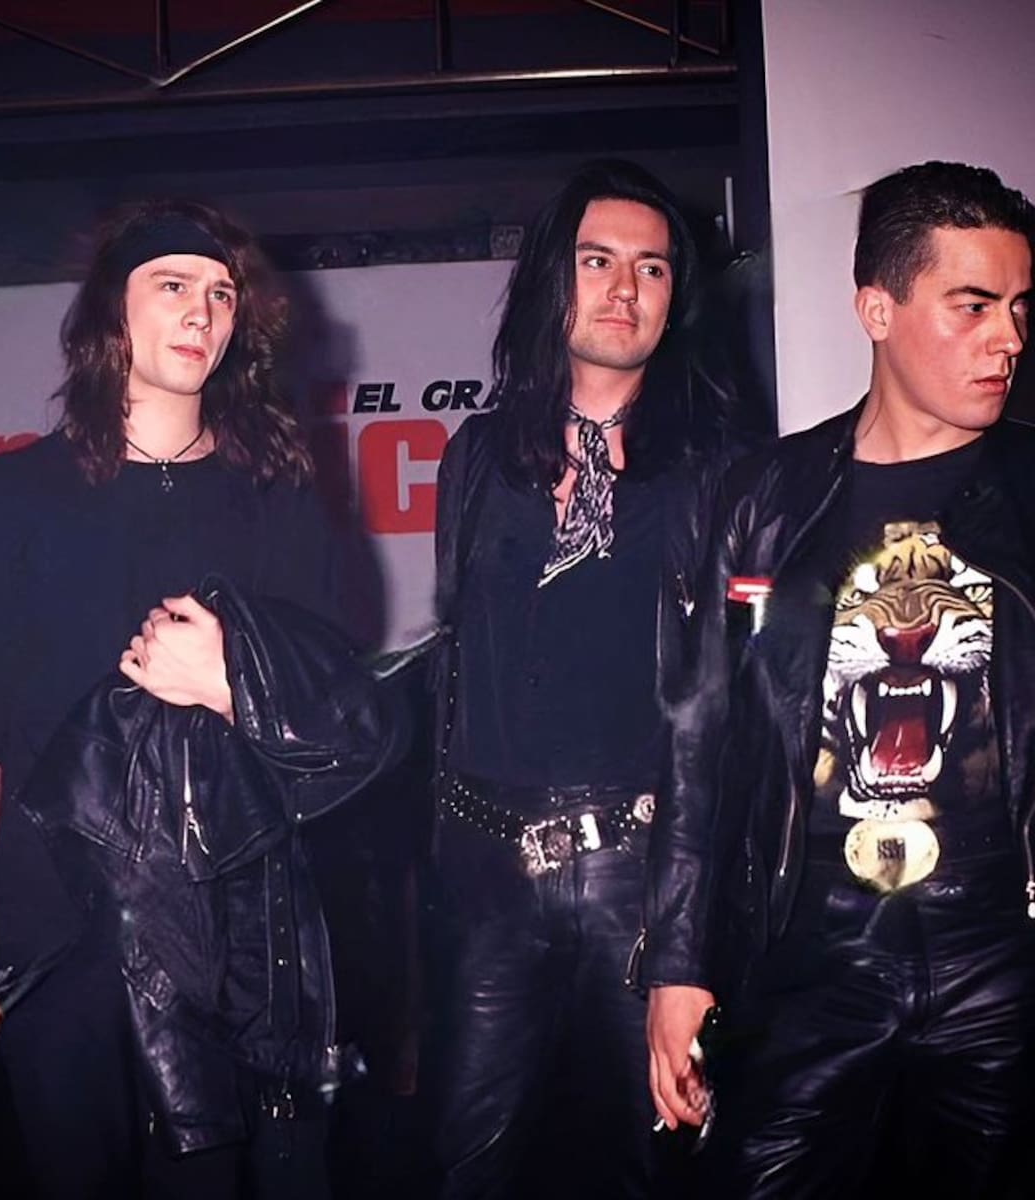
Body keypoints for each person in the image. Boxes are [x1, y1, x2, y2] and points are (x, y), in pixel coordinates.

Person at [0, 198, 375, 1198]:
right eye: (173, 285)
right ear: (111, 312)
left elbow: (340, 713)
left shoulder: (275, 490)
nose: (203, 312)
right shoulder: (18, 494)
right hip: (50, 920)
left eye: (222, 295)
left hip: (223, 927)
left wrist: (230, 683)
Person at [645, 160, 1035, 1198]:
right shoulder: (762, 498)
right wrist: (678, 964)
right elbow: (698, 740)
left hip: (1000, 946)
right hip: (808, 946)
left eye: (1019, 307)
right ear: (878, 309)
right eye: (974, 305)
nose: (1009, 338)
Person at [430, 158, 740, 1199]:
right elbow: (457, 662)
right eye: (597, 260)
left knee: (655, 1168)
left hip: (643, 878)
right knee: (461, 1167)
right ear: (550, 281)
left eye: (651, 268)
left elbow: (729, 715)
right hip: (486, 877)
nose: (624, 288)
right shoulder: (476, 456)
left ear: (675, 295)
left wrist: (689, 937)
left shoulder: (723, 471)